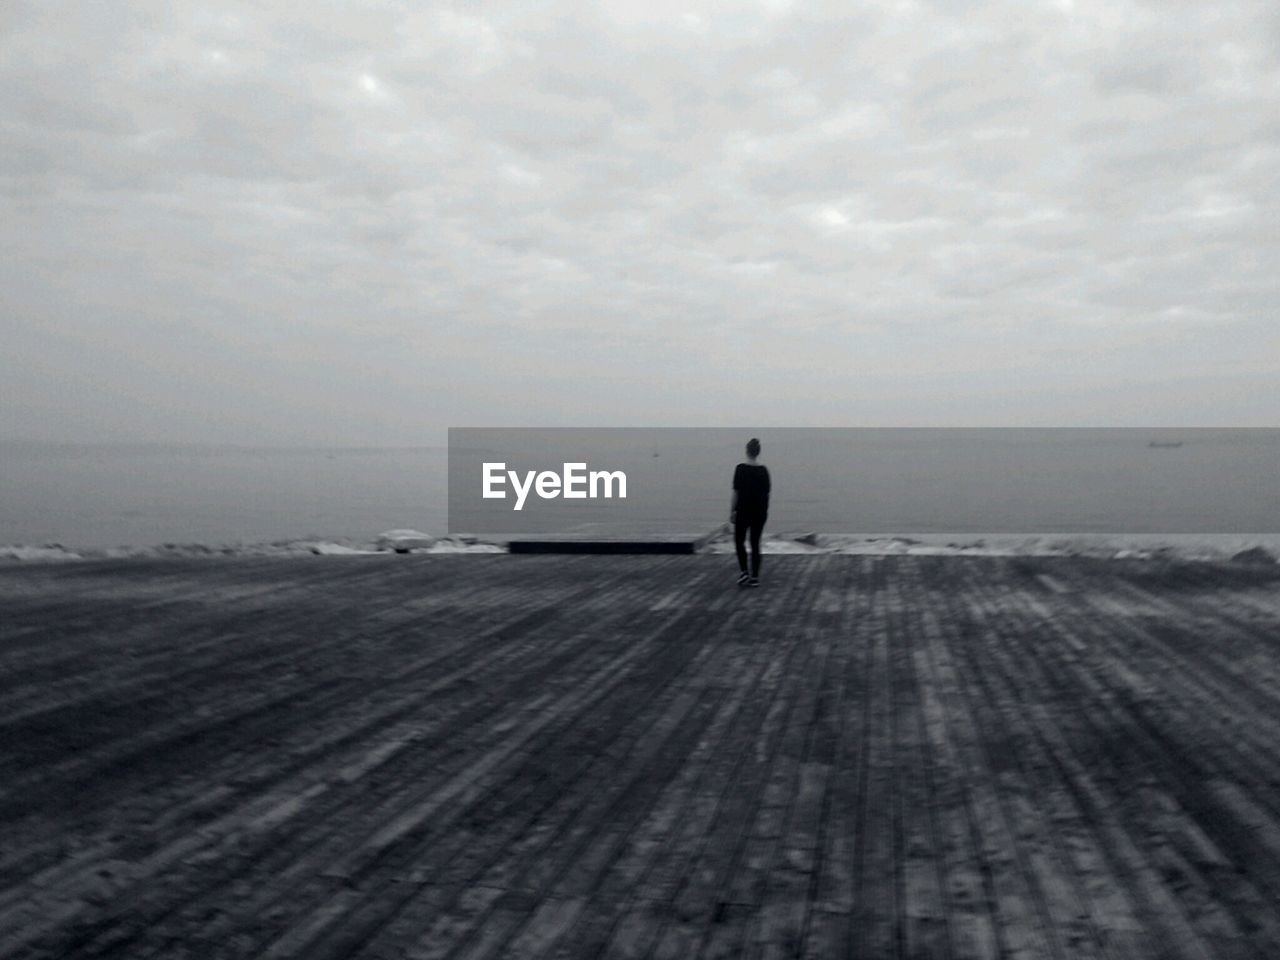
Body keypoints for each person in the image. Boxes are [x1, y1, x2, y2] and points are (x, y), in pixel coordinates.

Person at [730, 438, 770, 587]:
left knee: (739, 541)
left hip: (742, 511)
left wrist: (732, 511)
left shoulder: (740, 469)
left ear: (747, 451)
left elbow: (736, 492)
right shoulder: (763, 471)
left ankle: (744, 572)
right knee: (755, 543)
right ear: (758, 452)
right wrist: (764, 512)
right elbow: (766, 494)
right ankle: (755, 577)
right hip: (759, 512)